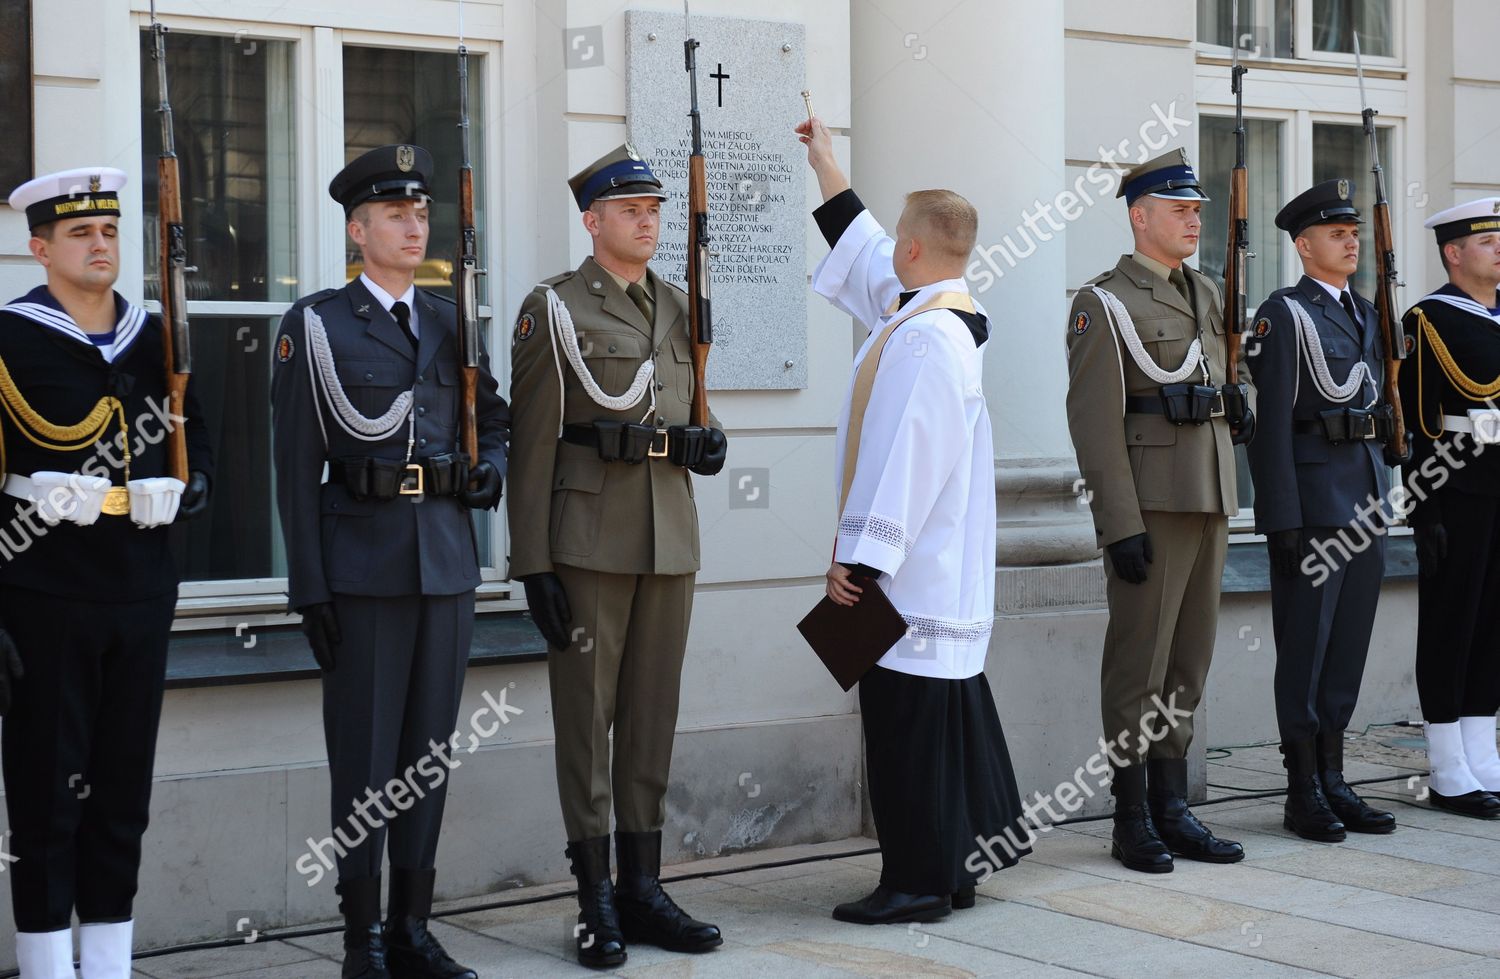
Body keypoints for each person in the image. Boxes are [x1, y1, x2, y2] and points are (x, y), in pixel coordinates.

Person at [270, 144, 509, 978]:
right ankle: (361, 936)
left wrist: (491, 473)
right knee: (366, 758)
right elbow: (295, 468)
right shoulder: (318, 325)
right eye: (397, 215)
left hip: (444, 565)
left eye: (422, 214)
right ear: (358, 229)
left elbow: (499, 424)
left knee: (428, 755)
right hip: (361, 568)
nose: (416, 225)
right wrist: (309, 590)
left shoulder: (451, 319)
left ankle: (412, 927)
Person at [797, 115, 1030, 924]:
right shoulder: (926, 308)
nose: (888, 244)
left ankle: (917, 883)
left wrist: (859, 563)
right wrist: (825, 161)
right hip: (927, 579)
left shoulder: (929, 340)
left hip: (907, 582)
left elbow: (905, 460)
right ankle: (948, 871)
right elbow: (859, 248)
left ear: (917, 249)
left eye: (899, 234)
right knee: (927, 731)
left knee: (906, 737)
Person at [506, 144, 726, 968]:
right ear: (593, 220)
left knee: (649, 719)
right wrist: (532, 562)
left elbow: (692, 404)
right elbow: (531, 444)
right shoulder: (555, 308)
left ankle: (641, 886)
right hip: (588, 541)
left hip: (669, 536)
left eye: (656, 209)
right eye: (630, 209)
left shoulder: (678, 303)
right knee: (585, 722)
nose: (647, 220)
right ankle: (593, 899)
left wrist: (709, 440)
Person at [2, 167, 212, 978]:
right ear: (39, 247)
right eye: (81, 233)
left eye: (111, 231)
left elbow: (203, 444)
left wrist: (194, 490)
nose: (100, 245)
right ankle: (50, 965)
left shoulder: (161, 335)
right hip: (43, 592)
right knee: (48, 793)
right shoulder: (9, 337)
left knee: (122, 792)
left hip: (140, 586)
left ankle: (109, 961)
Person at [1064, 148, 1254, 873]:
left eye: (1197, 210)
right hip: (1151, 505)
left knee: (1188, 660)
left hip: (1209, 497)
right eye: (1180, 209)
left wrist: (1244, 399)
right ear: (1140, 216)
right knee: (1137, 665)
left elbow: (1226, 388)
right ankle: (1132, 813)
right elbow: (1094, 423)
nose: (1193, 220)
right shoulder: (1104, 302)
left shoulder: (1206, 293)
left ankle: (1175, 807)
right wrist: (1119, 525)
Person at [1244, 179, 1397, 841]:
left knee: (1347, 647)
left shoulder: (1365, 311)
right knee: (1304, 648)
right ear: (1305, 245)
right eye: (1337, 233)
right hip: (1312, 506)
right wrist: (1280, 516)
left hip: (1365, 498)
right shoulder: (1282, 315)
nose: (1352, 240)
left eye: (1354, 231)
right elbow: (1270, 423)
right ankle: (1301, 787)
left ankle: (1335, 777)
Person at [1397, 197, 1500, 820]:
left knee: (1492, 622)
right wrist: (1422, 507)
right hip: (1456, 490)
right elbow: (1414, 420)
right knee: (1452, 621)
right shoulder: (1427, 320)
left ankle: (1481, 751)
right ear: (1453, 253)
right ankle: (1445, 764)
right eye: (1487, 241)